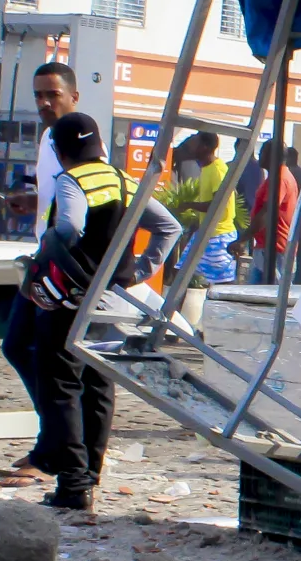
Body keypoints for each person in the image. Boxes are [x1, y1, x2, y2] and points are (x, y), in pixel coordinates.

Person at [21, 110, 181, 511]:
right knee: (97, 385)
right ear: (99, 146)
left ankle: (73, 486)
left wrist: (47, 254)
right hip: (112, 302)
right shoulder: (125, 180)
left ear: (58, 150)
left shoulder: (71, 180)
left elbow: (70, 227)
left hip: (72, 299)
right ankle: (90, 475)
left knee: (60, 387)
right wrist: (139, 270)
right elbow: (170, 227)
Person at [0, 61, 76, 480]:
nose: (45, 103)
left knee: (45, 356)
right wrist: (30, 203)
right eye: (39, 96)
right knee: (19, 346)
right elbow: (55, 197)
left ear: (73, 97)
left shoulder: (80, 136)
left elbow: (85, 206)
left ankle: (57, 450)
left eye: (53, 95)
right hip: (43, 256)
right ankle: (52, 444)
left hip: (64, 265)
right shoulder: (48, 138)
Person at [160, 130, 238, 284]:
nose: (189, 145)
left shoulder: (217, 169)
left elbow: (217, 205)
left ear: (205, 147)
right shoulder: (207, 168)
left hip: (219, 235)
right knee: (180, 274)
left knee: (224, 283)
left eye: (194, 142)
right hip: (205, 232)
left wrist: (188, 205)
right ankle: (173, 309)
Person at [246, 142, 301, 279]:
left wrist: (243, 239)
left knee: (269, 295)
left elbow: (267, 212)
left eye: (263, 152)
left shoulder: (280, 179)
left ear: (272, 156)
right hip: (268, 247)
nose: (259, 155)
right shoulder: (276, 176)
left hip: (274, 249)